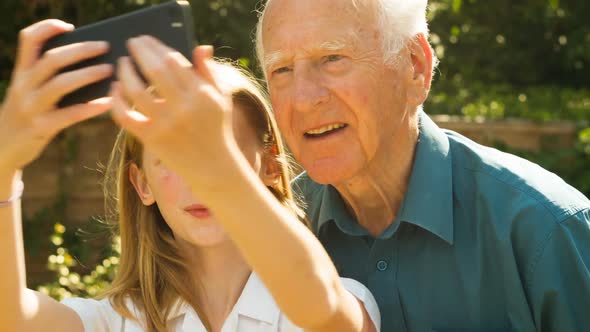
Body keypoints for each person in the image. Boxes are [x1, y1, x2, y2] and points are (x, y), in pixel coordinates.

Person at [0, 20, 381, 332]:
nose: (200, 179)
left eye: (220, 151)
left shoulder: (347, 298)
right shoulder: (112, 321)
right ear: (142, 184)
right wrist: (4, 164)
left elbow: (321, 307)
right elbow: (11, 317)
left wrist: (220, 173)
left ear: (270, 166)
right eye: (174, 157)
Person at [253, 0, 590, 331]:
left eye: (332, 58)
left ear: (415, 67)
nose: (302, 99)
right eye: (281, 69)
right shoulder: (268, 233)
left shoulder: (545, 229)